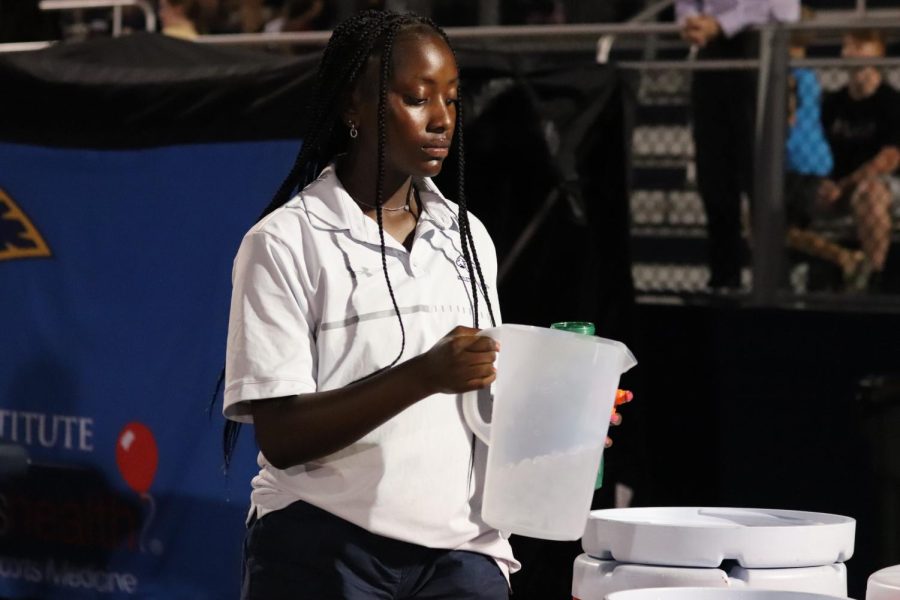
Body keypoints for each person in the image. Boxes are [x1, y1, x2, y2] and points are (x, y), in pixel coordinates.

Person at [220, 9, 629, 599]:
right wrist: (423, 375)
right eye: (417, 98)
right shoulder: (284, 242)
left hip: (462, 553)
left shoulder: (466, 236)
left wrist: (567, 412)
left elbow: (481, 400)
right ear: (353, 109)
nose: (442, 120)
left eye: (453, 100)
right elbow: (281, 436)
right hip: (326, 548)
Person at [676, 0, 799, 291]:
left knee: (760, 176)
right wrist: (691, 21)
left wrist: (723, 23)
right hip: (710, 54)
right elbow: (687, 4)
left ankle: (773, 283)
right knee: (713, 176)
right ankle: (723, 279)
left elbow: (785, 8)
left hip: (761, 50)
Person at [818, 29, 900, 290]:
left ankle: (872, 278)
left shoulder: (891, 102)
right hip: (837, 186)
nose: (850, 50)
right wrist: (823, 182)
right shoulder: (832, 103)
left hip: (883, 186)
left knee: (869, 192)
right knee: (778, 197)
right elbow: (816, 152)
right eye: (847, 45)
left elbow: (889, 159)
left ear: (879, 54)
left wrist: (847, 184)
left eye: (860, 44)